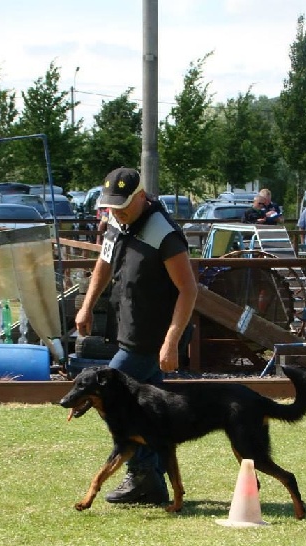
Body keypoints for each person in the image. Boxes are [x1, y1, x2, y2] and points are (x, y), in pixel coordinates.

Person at [74, 167, 198, 505]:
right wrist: (87, 306)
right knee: (150, 412)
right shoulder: (116, 221)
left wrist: (171, 341)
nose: (117, 211)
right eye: (112, 206)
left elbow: (188, 289)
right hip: (129, 329)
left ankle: (144, 477)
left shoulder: (163, 232)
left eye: (124, 205)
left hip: (153, 338)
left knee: (113, 396)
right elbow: (104, 264)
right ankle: (152, 479)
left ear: (142, 196)